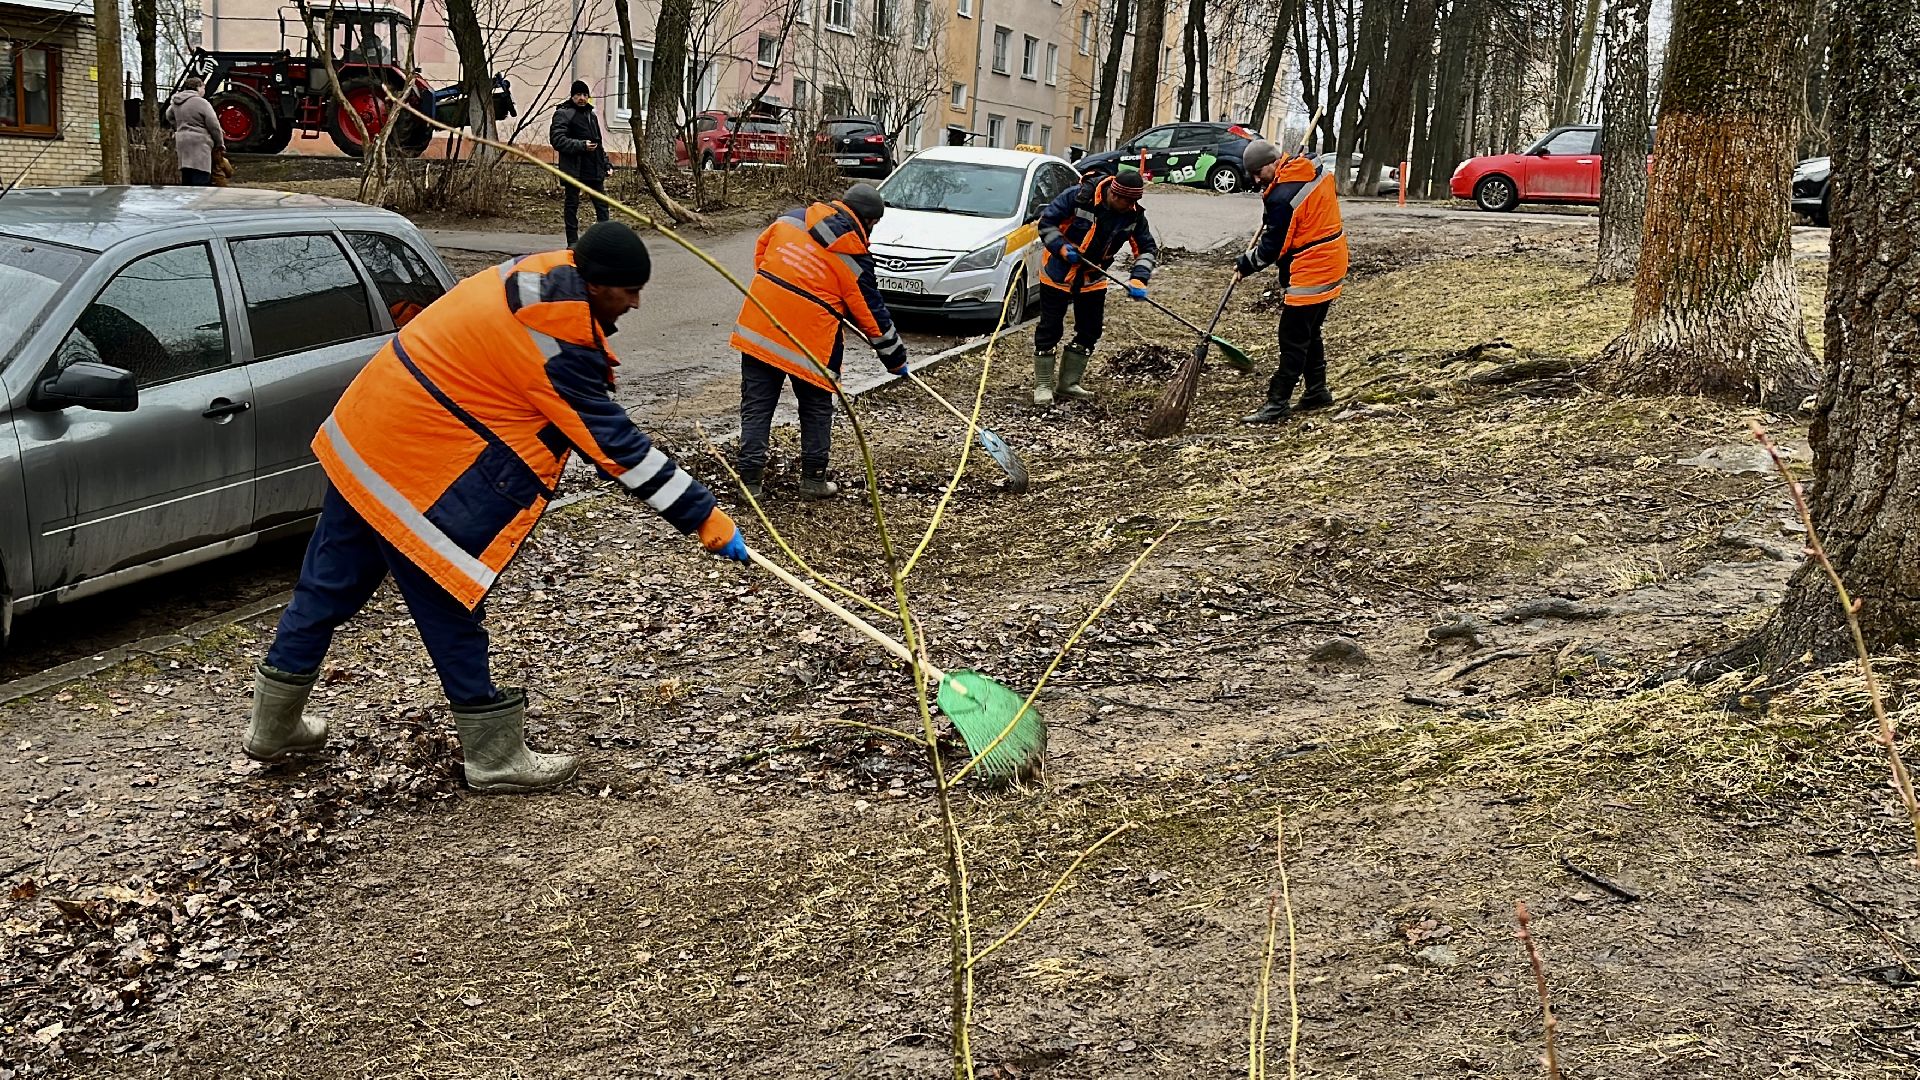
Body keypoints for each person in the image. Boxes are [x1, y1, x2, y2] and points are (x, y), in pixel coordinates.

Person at [243, 222, 749, 794]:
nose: (635, 302)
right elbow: (615, 446)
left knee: (326, 586)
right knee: (449, 603)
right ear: (594, 281)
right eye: (627, 290)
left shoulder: (538, 280)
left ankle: (273, 724)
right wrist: (704, 517)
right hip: (414, 468)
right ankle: (493, 755)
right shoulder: (555, 347)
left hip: (364, 437)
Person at [728, 183, 908, 499]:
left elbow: (762, 255)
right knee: (815, 408)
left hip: (760, 327)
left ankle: (750, 485)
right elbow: (872, 316)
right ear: (868, 221)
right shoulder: (853, 257)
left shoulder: (790, 220)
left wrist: (787, 291)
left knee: (756, 407)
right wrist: (895, 360)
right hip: (810, 347)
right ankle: (813, 481)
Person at [1235, 139, 1350, 424]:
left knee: (1292, 337)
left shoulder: (1283, 196)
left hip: (1313, 267)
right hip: (1333, 258)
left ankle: (1277, 402)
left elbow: (1272, 249)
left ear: (1274, 164)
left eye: (1258, 172)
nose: (1255, 179)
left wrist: (1245, 264)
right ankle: (1316, 391)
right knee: (1309, 332)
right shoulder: (1310, 167)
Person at [1032, 165, 1158, 406]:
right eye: (1126, 202)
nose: (1129, 207)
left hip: (1093, 277)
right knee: (1050, 328)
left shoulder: (1133, 215)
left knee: (1090, 330)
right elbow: (1046, 223)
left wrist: (1139, 278)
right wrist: (1061, 247)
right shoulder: (1078, 197)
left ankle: (1068, 384)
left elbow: (1146, 249)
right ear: (1114, 194)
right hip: (1057, 272)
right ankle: (1043, 385)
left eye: (1134, 202)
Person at [551, 81, 613, 246]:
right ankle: (572, 242)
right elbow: (557, 140)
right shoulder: (563, 114)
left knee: (602, 204)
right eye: (578, 95)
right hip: (573, 168)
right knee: (572, 205)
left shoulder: (591, 115)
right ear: (572, 96)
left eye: (585, 95)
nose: (582, 98)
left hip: (593, 167)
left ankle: (604, 239)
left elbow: (598, 143)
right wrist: (581, 145)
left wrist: (606, 164)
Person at [165, 77, 225, 187]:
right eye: (203, 88)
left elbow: (169, 115)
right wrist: (220, 143)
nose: (204, 91)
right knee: (201, 177)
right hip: (199, 144)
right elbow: (214, 125)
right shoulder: (202, 103)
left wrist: (179, 127)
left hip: (182, 142)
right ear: (198, 87)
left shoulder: (176, 101)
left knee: (187, 176)